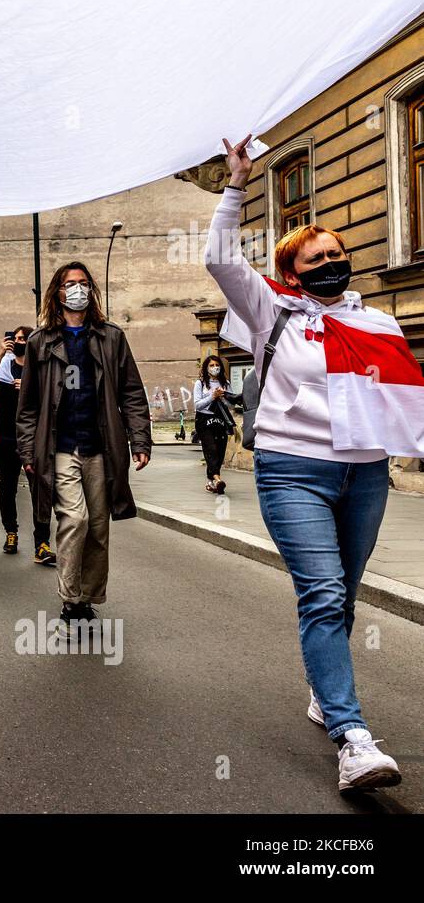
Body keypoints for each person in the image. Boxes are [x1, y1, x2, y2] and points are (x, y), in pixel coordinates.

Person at [205, 136, 407, 793]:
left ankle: (324, 690)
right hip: (293, 472)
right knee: (320, 594)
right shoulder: (273, 312)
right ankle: (353, 739)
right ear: (293, 271)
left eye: (339, 254)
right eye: (316, 257)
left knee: (340, 596)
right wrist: (236, 184)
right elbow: (218, 258)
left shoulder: (380, 323)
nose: (331, 263)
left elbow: (403, 401)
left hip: (366, 473)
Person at [17, 260, 151, 630]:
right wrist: (28, 450)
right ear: (56, 293)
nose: (77, 289)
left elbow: (131, 393)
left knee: (97, 527)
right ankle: (70, 598)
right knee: (73, 519)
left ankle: (88, 596)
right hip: (59, 447)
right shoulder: (40, 342)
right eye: (69, 283)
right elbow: (27, 406)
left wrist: (139, 439)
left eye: (82, 283)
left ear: (91, 290)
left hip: (102, 447)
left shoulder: (111, 337)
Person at [0, 326, 55, 565]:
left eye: (23, 338)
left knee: (41, 489)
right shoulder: (5, 366)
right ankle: (11, 533)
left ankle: (42, 544)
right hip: (8, 436)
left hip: (35, 437)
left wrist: (29, 386)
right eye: (15, 338)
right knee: (8, 488)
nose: (18, 342)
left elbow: (52, 397)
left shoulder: (41, 367)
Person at [193, 354, 235, 494]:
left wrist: (224, 397)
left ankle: (211, 482)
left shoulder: (225, 383)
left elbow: (231, 404)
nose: (214, 368)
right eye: (211, 365)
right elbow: (197, 405)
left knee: (220, 450)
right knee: (210, 448)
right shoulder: (201, 383)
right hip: (204, 420)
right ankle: (217, 479)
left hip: (220, 419)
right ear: (206, 368)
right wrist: (212, 396)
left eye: (217, 365)